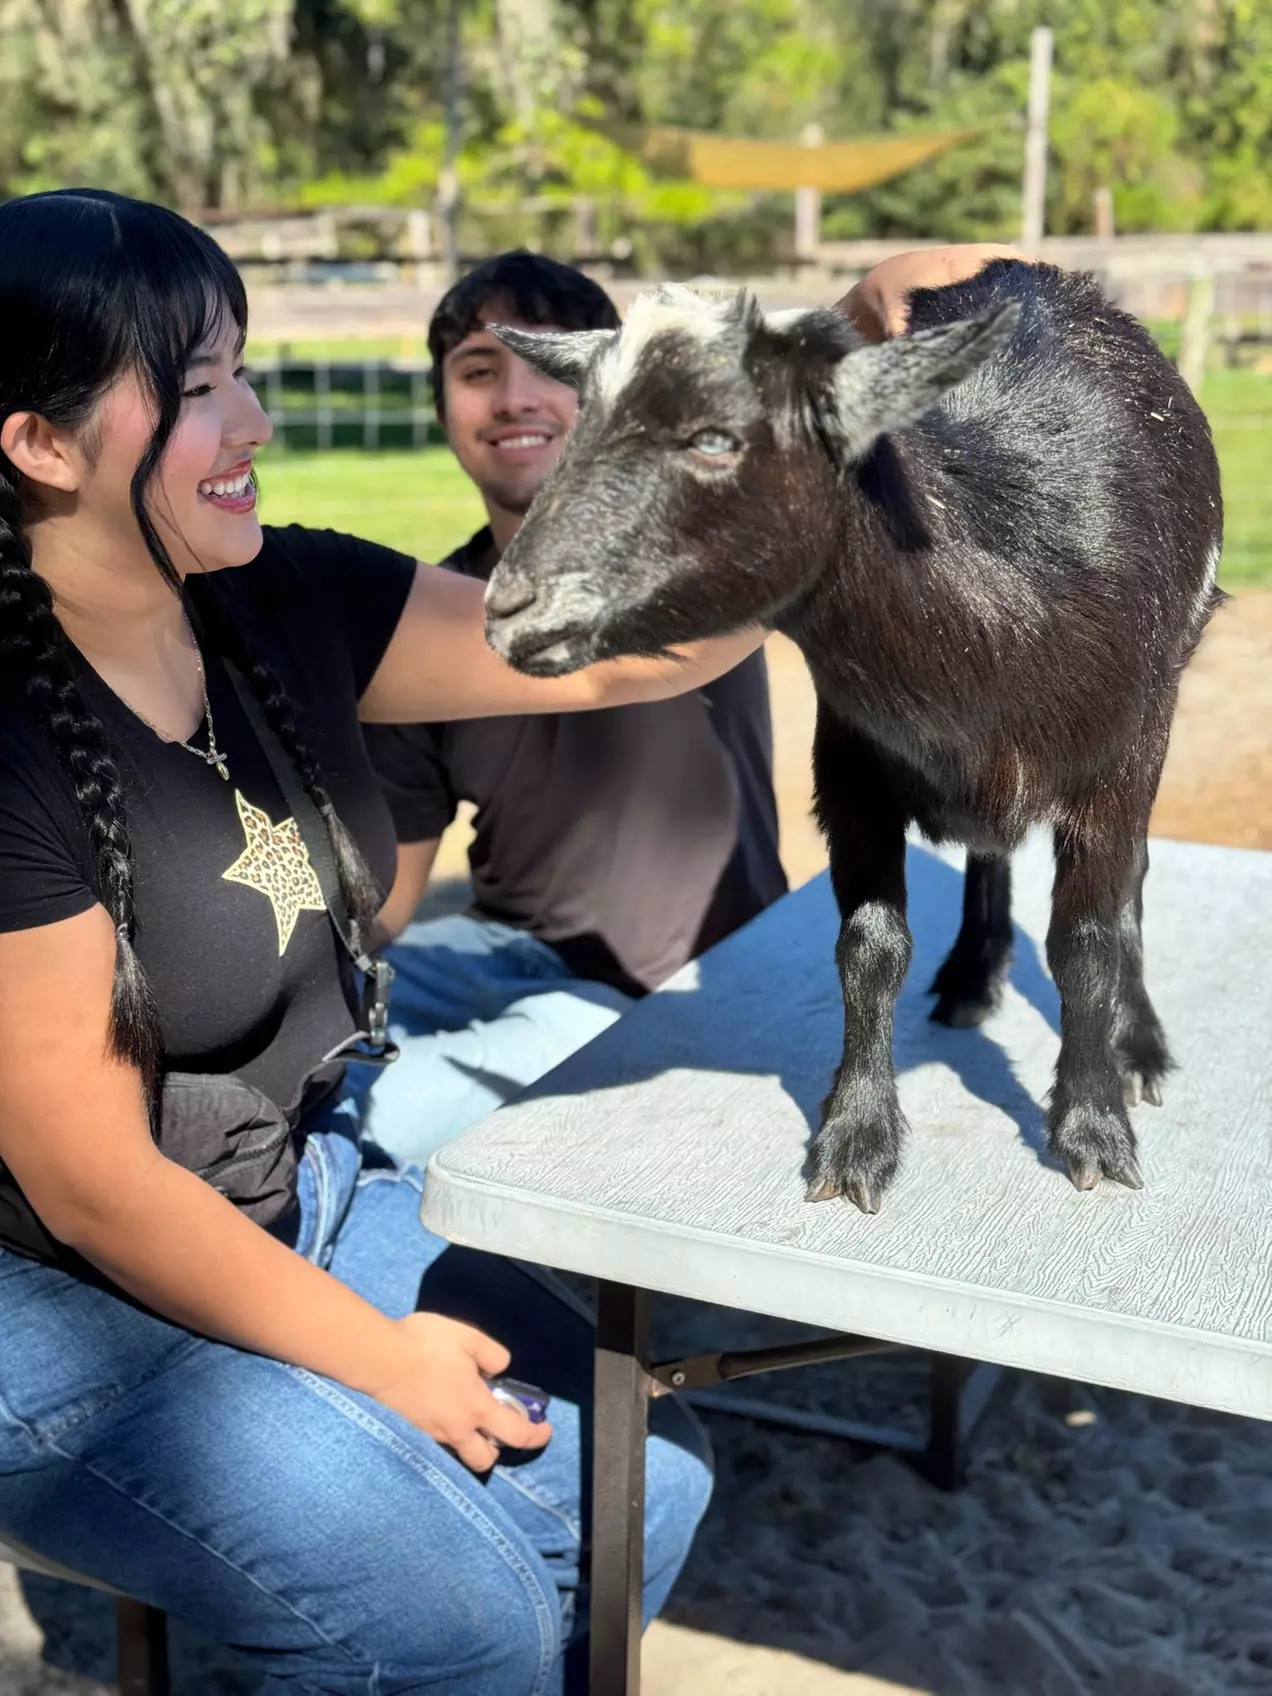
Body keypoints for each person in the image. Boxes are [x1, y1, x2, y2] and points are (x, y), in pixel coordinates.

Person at [0, 188, 1022, 1695]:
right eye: (203, 386)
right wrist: (377, 1356)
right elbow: (90, 1185)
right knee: (445, 1613)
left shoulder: (285, 597)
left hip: (302, 1182)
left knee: (645, 1485)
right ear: (40, 441)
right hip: (47, 1290)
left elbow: (637, 653)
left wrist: (815, 378)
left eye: (244, 371)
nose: (258, 421)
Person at [359, 252, 788, 1164]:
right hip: (494, 948)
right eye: (479, 372)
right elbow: (387, 901)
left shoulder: (697, 545)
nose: (514, 397)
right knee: (285, 1054)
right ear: (443, 409)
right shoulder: (428, 624)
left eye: (553, 367)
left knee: (376, 1119)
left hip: (662, 990)